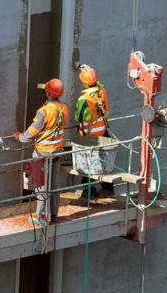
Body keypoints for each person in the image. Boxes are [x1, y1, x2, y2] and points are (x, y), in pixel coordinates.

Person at [14, 78, 69, 226]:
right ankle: (54, 215)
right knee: (54, 185)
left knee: (41, 187)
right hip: (57, 151)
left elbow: (32, 132)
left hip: (43, 153)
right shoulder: (64, 108)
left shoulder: (44, 111)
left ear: (48, 93)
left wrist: (20, 137)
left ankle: (41, 218)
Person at [74, 64, 109, 137]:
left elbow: (78, 119)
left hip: (89, 134)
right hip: (103, 131)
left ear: (84, 84)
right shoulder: (102, 90)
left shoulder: (84, 100)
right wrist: (89, 71)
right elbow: (98, 83)